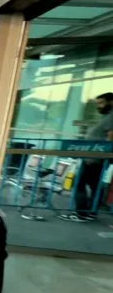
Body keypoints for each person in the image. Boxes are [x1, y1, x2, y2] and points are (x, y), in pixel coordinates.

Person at [59, 92, 113, 223]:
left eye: (101, 103)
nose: (98, 107)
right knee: (94, 185)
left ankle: (82, 213)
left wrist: (103, 155)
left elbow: (110, 137)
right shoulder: (107, 116)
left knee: (79, 183)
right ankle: (90, 212)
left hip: (95, 158)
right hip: (93, 157)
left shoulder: (111, 117)